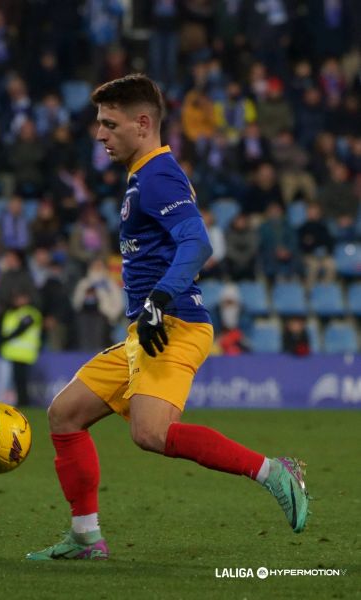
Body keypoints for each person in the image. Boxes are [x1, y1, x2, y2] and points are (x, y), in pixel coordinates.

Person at [27, 75, 309, 562]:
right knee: (65, 414)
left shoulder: (158, 175)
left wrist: (159, 298)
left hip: (174, 324)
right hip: (146, 329)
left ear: (142, 123)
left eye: (109, 124)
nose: (99, 135)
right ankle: (86, 537)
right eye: (98, 123)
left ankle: (273, 472)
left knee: (150, 433)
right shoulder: (142, 175)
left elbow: (198, 242)